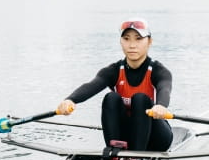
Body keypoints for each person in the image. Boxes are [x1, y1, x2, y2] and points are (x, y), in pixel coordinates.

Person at [57, 17, 173, 151]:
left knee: (140, 98)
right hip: (128, 135)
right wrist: (70, 100)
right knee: (110, 98)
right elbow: (91, 85)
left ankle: (137, 156)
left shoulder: (159, 71)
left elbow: (165, 89)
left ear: (149, 42)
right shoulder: (114, 70)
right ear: (121, 42)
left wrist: (161, 106)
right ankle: (114, 150)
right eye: (126, 39)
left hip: (156, 137)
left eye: (138, 39)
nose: (132, 45)